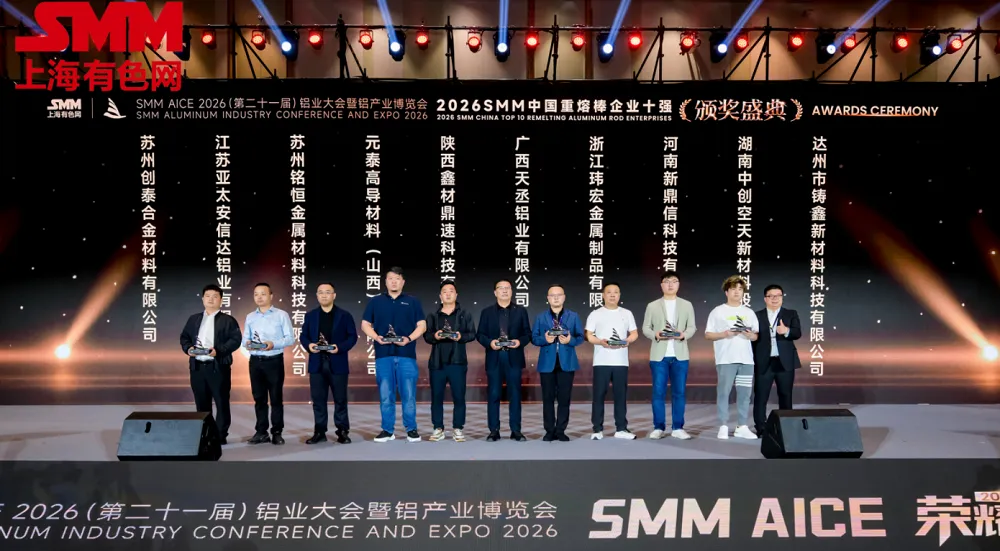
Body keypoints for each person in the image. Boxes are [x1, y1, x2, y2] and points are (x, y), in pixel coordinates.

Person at [361, 266, 426, 443]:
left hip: (406, 354)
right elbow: (365, 324)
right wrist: (377, 337)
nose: (394, 282)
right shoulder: (376, 301)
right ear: (386, 281)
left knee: (409, 395)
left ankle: (411, 429)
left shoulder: (413, 302)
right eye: (390, 278)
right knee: (386, 395)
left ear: (403, 282)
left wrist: (408, 339)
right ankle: (387, 430)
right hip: (383, 354)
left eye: (397, 278)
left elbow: (422, 325)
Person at [179, 284, 242, 445]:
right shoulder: (193, 319)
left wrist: (219, 351)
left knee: (221, 402)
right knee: (201, 403)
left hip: (218, 367)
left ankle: (220, 435)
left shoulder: (228, 320)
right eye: (207, 296)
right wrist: (188, 349)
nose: (211, 299)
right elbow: (184, 337)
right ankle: (204, 434)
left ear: (221, 300)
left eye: (215, 296)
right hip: (197, 367)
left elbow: (236, 340)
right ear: (202, 299)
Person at [300, 282, 359, 445]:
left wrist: (339, 347)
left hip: (337, 362)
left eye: (327, 292)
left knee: (340, 399)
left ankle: (342, 431)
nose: (324, 295)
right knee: (318, 400)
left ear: (334, 295)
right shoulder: (310, 315)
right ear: (317, 296)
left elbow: (352, 337)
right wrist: (309, 345)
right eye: (320, 292)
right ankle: (319, 432)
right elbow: (303, 336)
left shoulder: (344, 315)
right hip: (317, 363)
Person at [641, 271, 696, 440]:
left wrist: (683, 335)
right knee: (658, 392)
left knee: (679, 392)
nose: (670, 284)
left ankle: (678, 427)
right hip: (659, 356)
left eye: (674, 281)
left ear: (678, 284)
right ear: (661, 285)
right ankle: (658, 427)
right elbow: (646, 328)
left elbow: (692, 327)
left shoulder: (686, 305)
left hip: (680, 355)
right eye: (667, 281)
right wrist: (656, 334)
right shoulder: (652, 305)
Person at [704, 275, 759, 440]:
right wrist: (725, 334)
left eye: (740, 289)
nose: (737, 292)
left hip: (746, 360)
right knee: (724, 392)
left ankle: (742, 426)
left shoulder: (749, 312)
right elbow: (708, 335)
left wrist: (750, 335)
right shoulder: (718, 311)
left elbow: (755, 336)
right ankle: (723, 425)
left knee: (744, 394)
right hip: (726, 359)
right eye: (733, 289)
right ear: (726, 292)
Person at [477, 278, 532, 442]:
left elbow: (527, 334)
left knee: (515, 394)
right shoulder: (487, 312)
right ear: (495, 292)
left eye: (507, 287)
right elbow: (480, 335)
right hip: (495, 357)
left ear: (512, 291)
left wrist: (519, 342)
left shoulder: (520, 311)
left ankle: (516, 430)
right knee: (494, 394)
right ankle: (494, 430)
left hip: (513, 357)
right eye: (501, 288)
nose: (504, 290)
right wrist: (490, 343)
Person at [423, 280, 476, 442]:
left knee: (459, 397)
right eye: (444, 291)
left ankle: (458, 428)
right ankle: (438, 428)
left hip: (457, 362)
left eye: (451, 291)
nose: (448, 294)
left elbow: (472, 334)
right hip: (437, 363)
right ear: (440, 296)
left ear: (456, 294)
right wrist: (435, 336)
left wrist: (460, 336)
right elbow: (427, 336)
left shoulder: (464, 314)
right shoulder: (433, 316)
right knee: (436, 397)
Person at [585, 282, 639, 440]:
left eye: (616, 292)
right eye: (609, 292)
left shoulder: (627, 313)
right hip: (601, 361)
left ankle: (621, 428)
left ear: (619, 295)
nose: (612, 295)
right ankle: (597, 429)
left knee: (620, 396)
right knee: (598, 395)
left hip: (621, 361)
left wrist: (628, 341)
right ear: (603, 295)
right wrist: (600, 342)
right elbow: (588, 335)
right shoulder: (595, 314)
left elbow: (634, 333)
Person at [243, 282, 296, 445]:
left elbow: (290, 339)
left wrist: (273, 344)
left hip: (274, 361)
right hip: (255, 361)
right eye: (256, 294)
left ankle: (277, 432)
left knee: (275, 398)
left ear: (271, 296)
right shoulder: (250, 317)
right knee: (259, 398)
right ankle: (261, 432)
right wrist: (248, 344)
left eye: (263, 294)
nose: (259, 297)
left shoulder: (281, 315)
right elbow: (245, 339)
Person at [531, 284, 584, 442]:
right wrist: (545, 339)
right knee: (547, 399)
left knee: (564, 399)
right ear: (548, 298)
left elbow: (581, 337)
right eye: (552, 295)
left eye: (558, 295)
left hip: (566, 362)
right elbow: (534, 338)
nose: (555, 298)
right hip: (547, 363)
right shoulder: (541, 317)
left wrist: (570, 340)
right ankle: (549, 430)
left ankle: (561, 430)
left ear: (564, 297)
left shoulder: (573, 316)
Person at [752, 284, 802, 435]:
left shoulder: (790, 313)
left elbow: (797, 333)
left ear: (782, 297)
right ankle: (761, 428)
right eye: (771, 296)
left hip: (784, 361)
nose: (775, 299)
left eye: (778, 295)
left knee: (786, 395)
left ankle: (786, 428)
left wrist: (786, 331)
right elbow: (752, 338)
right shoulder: (756, 315)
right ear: (765, 299)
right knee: (761, 396)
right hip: (764, 361)